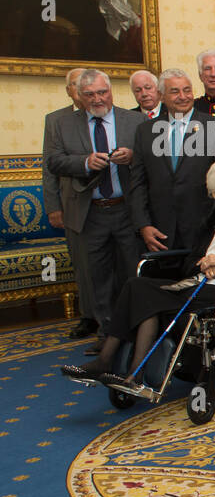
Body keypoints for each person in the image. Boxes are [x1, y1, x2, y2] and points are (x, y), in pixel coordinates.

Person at [60, 159, 215, 385]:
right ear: (214, 193)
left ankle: (120, 367)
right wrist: (202, 263)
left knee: (149, 299)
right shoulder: (209, 222)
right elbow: (190, 260)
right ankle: (126, 371)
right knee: (136, 286)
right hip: (195, 284)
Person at [45, 69, 145, 353]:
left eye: (102, 92)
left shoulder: (135, 120)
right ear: (80, 96)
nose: (98, 99)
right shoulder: (64, 124)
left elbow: (150, 160)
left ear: (111, 91)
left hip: (127, 210)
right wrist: (85, 162)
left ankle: (138, 330)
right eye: (90, 95)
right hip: (91, 212)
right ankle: (107, 334)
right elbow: (54, 162)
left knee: (132, 273)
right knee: (98, 278)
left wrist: (133, 156)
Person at [128, 68, 215, 254]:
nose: (183, 96)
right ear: (161, 96)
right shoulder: (145, 131)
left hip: (204, 228)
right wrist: (143, 225)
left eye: (187, 90)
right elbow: (138, 183)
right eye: (175, 91)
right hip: (160, 232)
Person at [42, 67, 98, 340]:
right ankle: (88, 316)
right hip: (73, 202)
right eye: (79, 86)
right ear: (70, 91)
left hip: (108, 202)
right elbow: (49, 168)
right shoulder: (56, 120)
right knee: (83, 263)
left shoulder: (109, 114)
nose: (86, 90)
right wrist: (54, 207)